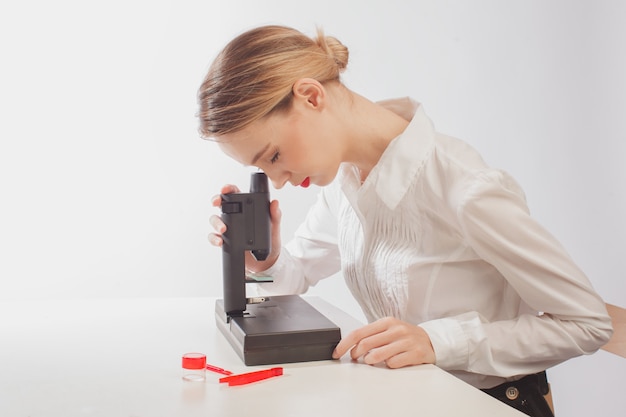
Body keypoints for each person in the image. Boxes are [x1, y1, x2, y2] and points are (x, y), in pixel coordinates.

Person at [198, 25, 612, 416]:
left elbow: (586, 323)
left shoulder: (465, 188)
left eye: (273, 156)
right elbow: (293, 280)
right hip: (409, 402)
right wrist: (266, 261)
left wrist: (438, 341)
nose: (278, 181)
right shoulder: (345, 182)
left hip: (490, 404)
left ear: (310, 97)